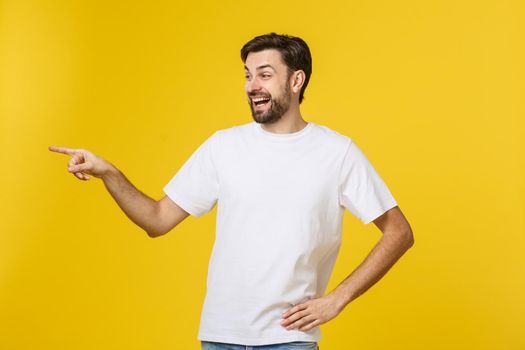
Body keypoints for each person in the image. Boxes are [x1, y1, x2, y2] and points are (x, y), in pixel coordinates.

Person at [49, 32, 414, 350]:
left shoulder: (337, 152)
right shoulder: (222, 146)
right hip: (219, 337)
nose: (252, 85)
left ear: (296, 80)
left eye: (265, 75)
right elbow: (156, 220)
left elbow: (399, 232)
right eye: (247, 75)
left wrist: (337, 299)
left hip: (288, 341)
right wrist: (109, 173)